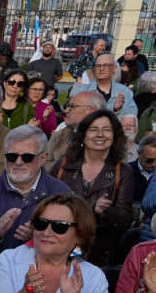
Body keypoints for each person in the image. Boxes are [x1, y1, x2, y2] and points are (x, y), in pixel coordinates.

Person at [0, 125, 74, 293]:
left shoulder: (61, 194)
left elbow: (79, 247)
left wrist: (39, 239)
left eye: (27, 157)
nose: (18, 162)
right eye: (12, 157)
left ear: (43, 158)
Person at [52, 109, 136, 266]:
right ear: (83, 135)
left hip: (100, 255)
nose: (100, 135)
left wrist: (104, 211)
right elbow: (47, 204)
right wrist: (90, 207)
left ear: (115, 136)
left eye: (107, 130)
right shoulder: (63, 165)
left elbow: (125, 218)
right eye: (93, 129)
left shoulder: (123, 171)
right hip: (59, 248)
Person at [72, 53, 137, 119]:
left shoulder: (125, 92)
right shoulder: (81, 92)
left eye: (106, 65)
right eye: (98, 65)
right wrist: (112, 109)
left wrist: (117, 110)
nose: (101, 68)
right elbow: (75, 117)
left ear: (114, 68)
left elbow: (131, 118)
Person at [49, 90, 106, 163]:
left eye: (72, 106)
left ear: (91, 111)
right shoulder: (59, 135)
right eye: (67, 106)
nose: (66, 111)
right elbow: (45, 163)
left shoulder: (109, 139)